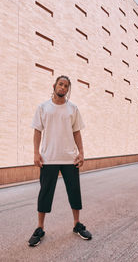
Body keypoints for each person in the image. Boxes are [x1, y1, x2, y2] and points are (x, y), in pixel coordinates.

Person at [28, 75, 92, 246]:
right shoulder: (43, 107)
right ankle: (40, 228)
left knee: (74, 191)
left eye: (66, 86)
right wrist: (36, 153)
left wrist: (81, 152)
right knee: (45, 193)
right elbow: (37, 132)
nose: (63, 88)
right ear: (54, 86)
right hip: (48, 158)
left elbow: (77, 132)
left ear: (68, 90)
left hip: (70, 158)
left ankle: (77, 225)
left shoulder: (73, 108)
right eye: (60, 84)